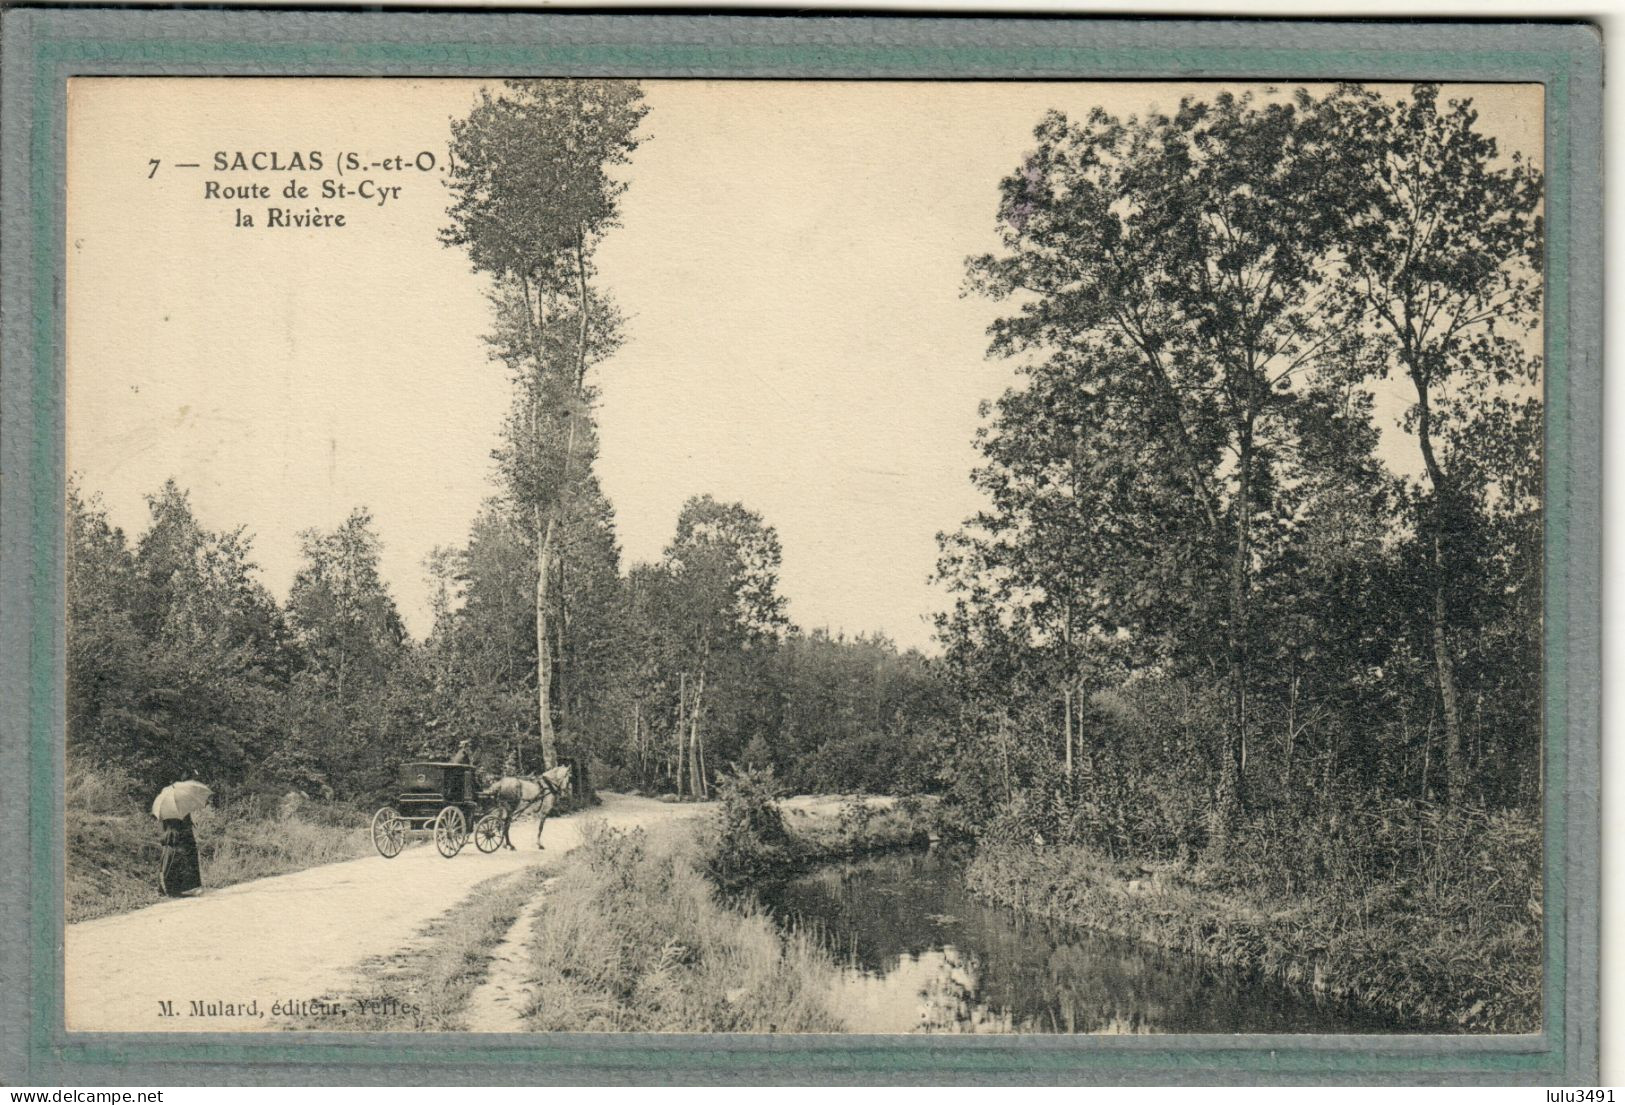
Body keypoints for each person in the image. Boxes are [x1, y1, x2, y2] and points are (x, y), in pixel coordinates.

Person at [158, 812, 202, 897]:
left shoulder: (165, 810)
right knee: (179, 859)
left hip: (173, 836)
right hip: (177, 837)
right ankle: (183, 888)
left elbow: (164, 827)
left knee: (172, 860)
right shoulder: (180, 810)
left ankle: (176, 889)